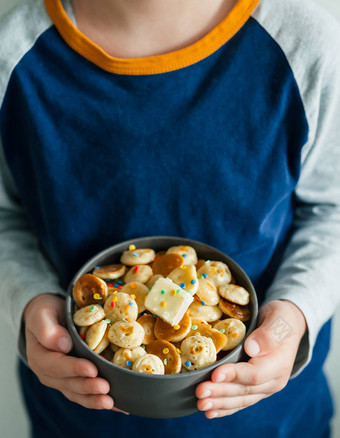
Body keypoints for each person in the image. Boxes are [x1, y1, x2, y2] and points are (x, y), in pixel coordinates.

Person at [0, 0, 339, 436]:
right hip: (78, 420)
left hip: (271, 421)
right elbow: (6, 217)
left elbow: (329, 209)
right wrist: (28, 299)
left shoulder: (306, 49)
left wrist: (297, 312)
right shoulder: (13, 58)